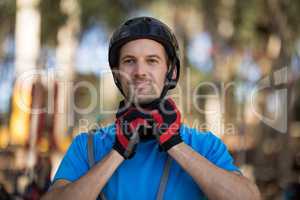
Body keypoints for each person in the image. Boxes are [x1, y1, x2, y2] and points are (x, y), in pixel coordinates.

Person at [42, 16, 260, 200]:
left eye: (152, 61)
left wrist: (175, 144)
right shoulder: (87, 146)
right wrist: (117, 152)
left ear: (171, 73)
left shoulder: (204, 145)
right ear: (117, 74)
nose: (140, 71)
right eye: (129, 61)